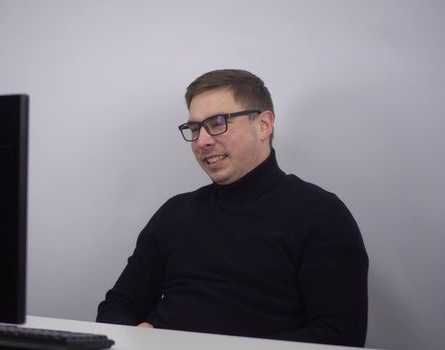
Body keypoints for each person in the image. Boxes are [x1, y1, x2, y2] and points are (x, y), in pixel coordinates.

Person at [96, 69, 369, 347]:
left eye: (217, 123)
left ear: (263, 125)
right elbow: (117, 307)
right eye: (194, 128)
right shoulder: (175, 213)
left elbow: (339, 338)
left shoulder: (321, 215)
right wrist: (134, 337)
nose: (202, 141)